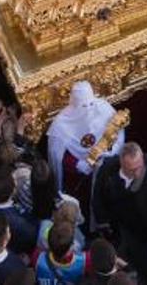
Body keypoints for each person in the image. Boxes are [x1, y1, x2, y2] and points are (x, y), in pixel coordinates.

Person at [93, 142, 147, 283]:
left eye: (140, 167)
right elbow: (98, 198)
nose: (138, 173)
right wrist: (103, 223)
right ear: (122, 163)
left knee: (144, 260)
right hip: (121, 223)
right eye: (132, 169)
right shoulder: (107, 171)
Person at [46, 81, 124, 211]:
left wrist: (112, 150)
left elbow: (117, 130)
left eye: (91, 104)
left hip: (105, 163)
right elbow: (57, 154)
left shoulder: (103, 108)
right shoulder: (61, 124)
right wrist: (79, 164)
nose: (88, 109)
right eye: (83, 106)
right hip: (80, 174)